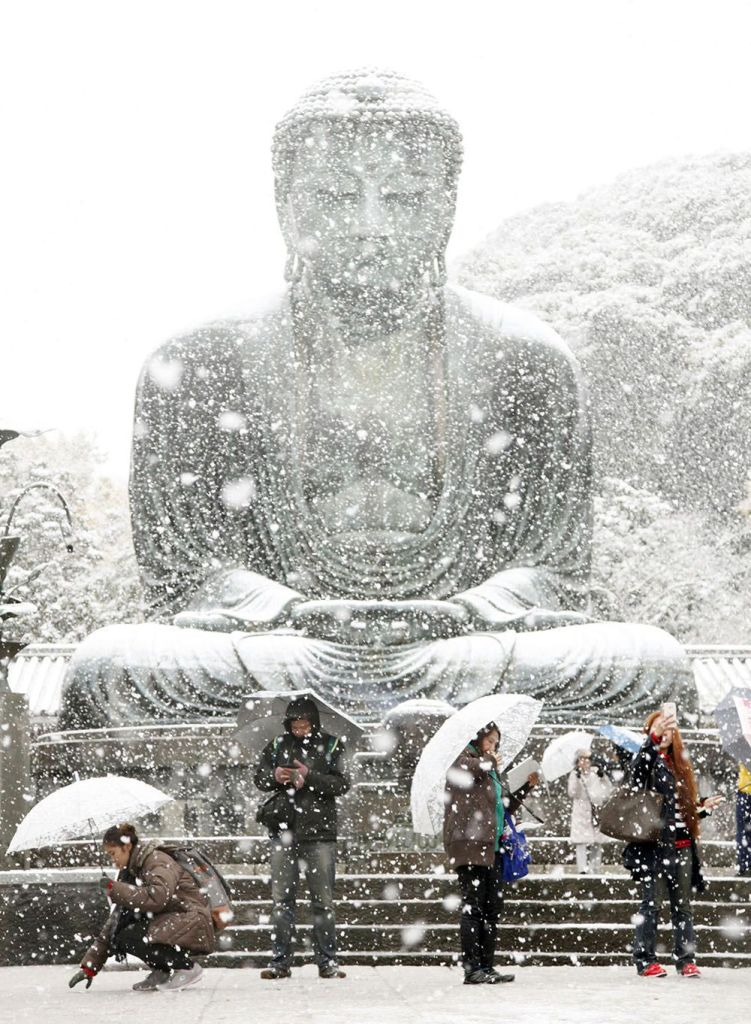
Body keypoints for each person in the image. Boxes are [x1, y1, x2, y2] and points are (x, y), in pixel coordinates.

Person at [59, 68, 696, 733]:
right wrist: (288, 612)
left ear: (445, 205)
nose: (368, 226)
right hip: (282, 648)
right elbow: (183, 578)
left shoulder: (525, 357)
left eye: (401, 197)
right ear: (287, 205)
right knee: (111, 668)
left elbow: (556, 574)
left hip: (462, 647)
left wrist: (468, 611)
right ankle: (389, 712)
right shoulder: (199, 359)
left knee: (649, 665)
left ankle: (350, 712)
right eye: (335, 194)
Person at [253, 696, 350, 979]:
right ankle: (280, 962)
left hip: (320, 833)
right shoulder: (277, 746)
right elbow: (259, 779)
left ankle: (328, 961)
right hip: (284, 830)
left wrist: (310, 777)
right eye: (295, 725)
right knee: (282, 901)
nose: (299, 729)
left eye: (304, 724)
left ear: (314, 723)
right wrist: (275, 776)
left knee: (323, 902)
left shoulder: (332, 745)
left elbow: (342, 784)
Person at [623, 709, 724, 978]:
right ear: (650, 732)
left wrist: (702, 808)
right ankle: (645, 959)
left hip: (682, 847)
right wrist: (653, 742)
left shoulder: (679, 764)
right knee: (651, 905)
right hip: (655, 847)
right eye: (659, 727)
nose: (665, 732)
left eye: (669, 727)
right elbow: (637, 776)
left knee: (683, 907)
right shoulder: (646, 760)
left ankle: (685, 959)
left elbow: (681, 812)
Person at [443, 721, 538, 984]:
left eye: (496, 742)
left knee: (492, 907)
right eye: (490, 741)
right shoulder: (461, 759)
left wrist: (525, 787)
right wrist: (487, 760)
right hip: (469, 844)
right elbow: (469, 772)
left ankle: (487, 965)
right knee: (474, 906)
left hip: (493, 846)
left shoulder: (488, 767)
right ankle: (472, 967)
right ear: (478, 738)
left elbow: (502, 806)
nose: (494, 746)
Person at [68, 822, 214, 992]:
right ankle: (162, 971)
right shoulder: (132, 871)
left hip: (190, 918)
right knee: (122, 932)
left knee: (130, 936)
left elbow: (158, 897)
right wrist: (90, 967)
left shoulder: (156, 860)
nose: (112, 859)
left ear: (127, 846)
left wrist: (116, 889)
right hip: (172, 919)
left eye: (113, 853)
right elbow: (115, 921)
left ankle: (187, 968)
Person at [567, 750, 613, 874]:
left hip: (596, 811)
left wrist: (603, 777)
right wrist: (577, 779)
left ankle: (595, 868)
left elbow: (607, 790)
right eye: (582, 759)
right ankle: (582, 869)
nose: (585, 762)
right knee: (581, 842)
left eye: (587, 759)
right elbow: (572, 793)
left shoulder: (596, 773)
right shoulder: (574, 774)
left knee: (597, 842)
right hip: (581, 811)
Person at [736, 761, 751, 876]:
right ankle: (744, 864)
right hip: (745, 792)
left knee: (743, 832)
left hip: (745, 793)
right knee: (743, 831)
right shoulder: (745, 748)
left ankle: (744, 864)